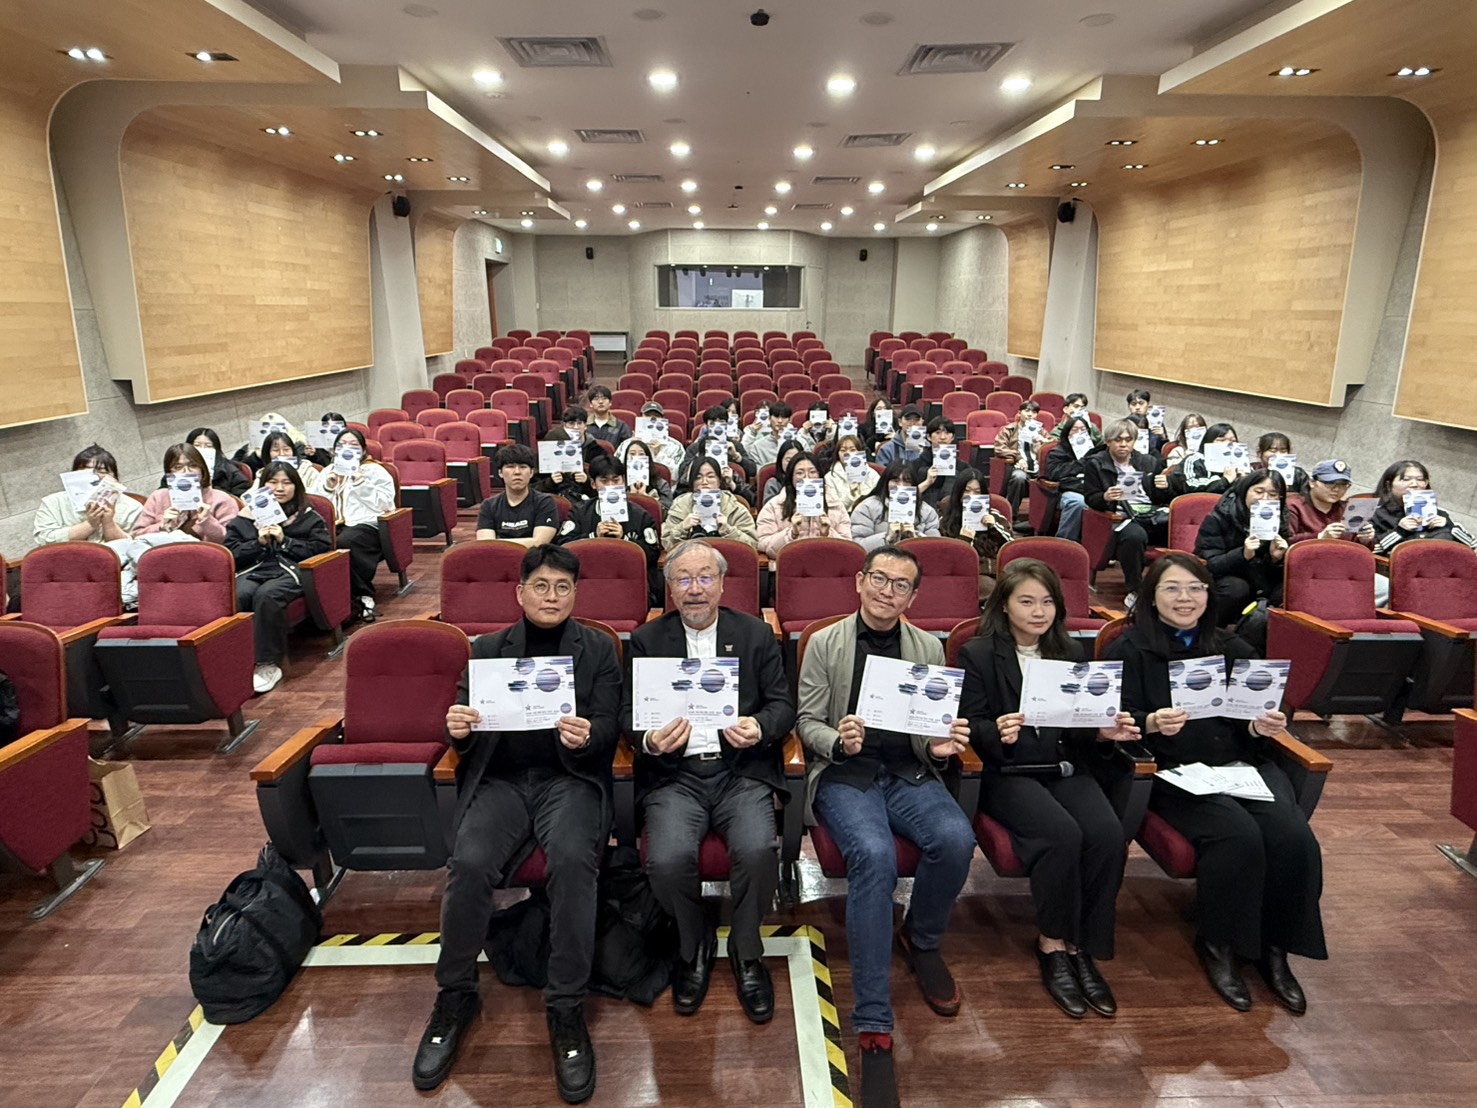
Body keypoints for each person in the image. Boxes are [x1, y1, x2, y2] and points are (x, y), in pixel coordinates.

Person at [414, 545, 620, 1101]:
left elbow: (610, 726)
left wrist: (590, 736)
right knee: (470, 863)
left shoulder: (598, 648)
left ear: (575, 595)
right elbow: (462, 722)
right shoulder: (486, 649)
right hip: (502, 780)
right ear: (520, 592)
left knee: (575, 864)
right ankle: (455, 994)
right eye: (541, 586)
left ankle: (566, 1004)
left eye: (563, 588)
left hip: (569, 780)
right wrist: (457, 727)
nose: (551, 597)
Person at [1104, 552, 1326, 1013]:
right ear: (1151, 595)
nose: (1185, 598)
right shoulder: (1128, 650)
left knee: (1293, 836)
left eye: (1195, 589)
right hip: (1173, 771)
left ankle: (1274, 948)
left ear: (1209, 594)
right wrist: (1150, 722)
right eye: (1172, 589)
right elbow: (1112, 720)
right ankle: (1220, 943)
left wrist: (1261, 725)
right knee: (1237, 835)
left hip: (1237, 764)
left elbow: (1258, 712)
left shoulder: (1232, 647)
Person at [796, 546, 977, 1108]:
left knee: (956, 840)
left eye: (901, 586)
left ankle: (920, 939)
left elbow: (929, 728)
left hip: (906, 771)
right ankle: (874, 1023)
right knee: (872, 856)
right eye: (879, 580)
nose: (887, 592)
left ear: (913, 597)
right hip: (847, 774)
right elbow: (806, 722)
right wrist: (836, 739)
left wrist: (941, 746)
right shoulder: (826, 642)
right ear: (859, 581)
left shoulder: (928, 646)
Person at [957, 559, 1140, 1018]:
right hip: (1009, 771)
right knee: (1062, 835)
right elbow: (968, 724)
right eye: (1027, 601)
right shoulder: (978, 653)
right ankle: (1052, 943)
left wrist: (1101, 733)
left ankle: (1085, 946)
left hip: (1064, 766)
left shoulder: (1072, 655)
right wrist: (994, 731)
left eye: (1047, 602)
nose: (1039, 612)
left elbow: (1078, 729)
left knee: (1107, 836)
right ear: (1004, 605)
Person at [629, 540, 797, 1022]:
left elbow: (782, 705)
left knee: (757, 851)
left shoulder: (755, 635)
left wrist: (761, 727)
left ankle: (747, 950)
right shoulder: (647, 640)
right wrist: (649, 740)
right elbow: (627, 714)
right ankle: (692, 945)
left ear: (723, 585)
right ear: (669, 587)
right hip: (676, 775)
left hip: (739, 771)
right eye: (684, 579)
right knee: (666, 859)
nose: (695, 589)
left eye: (705, 578)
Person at [223, 460, 332, 694]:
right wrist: (257, 543)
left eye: (286, 483)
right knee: (240, 593)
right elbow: (230, 553)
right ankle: (238, 662)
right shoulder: (247, 516)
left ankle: (268, 663)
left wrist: (286, 541)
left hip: (290, 569)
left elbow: (321, 550)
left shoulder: (308, 515)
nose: (279, 488)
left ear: (296, 487)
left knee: (267, 595)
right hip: (255, 568)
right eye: (273, 482)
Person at [1195, 471, 1291, 650]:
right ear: (1245, 491)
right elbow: (1209, 564)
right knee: (1236, 587)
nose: (1264, 499)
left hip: (1261, 582)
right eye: (1259, 491)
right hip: (1223, 579)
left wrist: (1275, 559)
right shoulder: (1219, 518)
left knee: (1288, 589)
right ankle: (1207, 636)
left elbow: (1273, 574)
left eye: (1272, 495)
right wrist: (1243, 554)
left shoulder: (1280, 520)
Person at [309, 428, 396, 622]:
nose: (346, 449)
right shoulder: (328, 472)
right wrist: (328, 487)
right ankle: (329, 601)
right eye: (341, 445)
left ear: (363, 450)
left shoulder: (374, 470)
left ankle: (363, 596)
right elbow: (314, 504)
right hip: (333, 525)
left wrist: (361, 484)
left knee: (345, 543)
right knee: (318, 545)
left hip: (366, 525)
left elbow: (386, 505)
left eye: (353, 445)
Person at [556, 453, 661, 605]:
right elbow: (562, 546)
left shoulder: (641, 515)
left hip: (628, 584)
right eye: (604, 481)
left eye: (616, 480)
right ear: (593, 484)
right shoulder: (579, 512)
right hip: (586, 582)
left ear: (624, 481)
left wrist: (624, 540)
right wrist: (593, 537)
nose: (611, 486)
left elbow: (652, 553)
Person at [1083, 419, 1171, 591]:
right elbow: (1090, 498)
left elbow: (1158, 497)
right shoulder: (1096, 463)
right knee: (1135, 535)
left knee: (1178, 531)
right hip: (1120, 517)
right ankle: (1135, 589)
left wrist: (1164, 487)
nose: (1123, 444)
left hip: (1150, 514)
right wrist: (1106, 496)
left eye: (1128, 440)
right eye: (1118, 440)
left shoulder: (1148, 462)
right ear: (1108, 442)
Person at [33, 445, 142, 546]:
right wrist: (89, 525)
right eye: (85, 471)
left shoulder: (132, 507)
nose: (94, 477)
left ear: (114, 476)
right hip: (67, 561)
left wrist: (108, 522)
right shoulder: (52, 503)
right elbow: (43, 540)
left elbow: (138, 545)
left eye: (102, 471)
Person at [133, 443, 240, 543]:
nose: (186, 472)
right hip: (166, 557)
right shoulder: (158, 497)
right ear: (169, 473)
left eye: (192, 465)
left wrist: (207, 521)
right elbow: (136, 535)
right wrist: (162, 526)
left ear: (202, 470)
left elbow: (231, 541)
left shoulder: (221, 499)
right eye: (178, 467)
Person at [756, 450, 853, 556]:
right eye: (799, 473)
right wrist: (791, 534)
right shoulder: (774, 506)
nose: (807, 477)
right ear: (791, 477)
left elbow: (848, 548)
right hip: (790, 567)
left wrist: (828, 534)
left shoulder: (836, 505)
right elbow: (763, 543)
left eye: (812, 472)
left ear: (820, 476)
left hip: (827, 566)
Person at [1371, 459, 1477, 553]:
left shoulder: (1439, 513)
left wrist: (1449, 526)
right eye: (1406, 479)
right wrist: (1400, 530)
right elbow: (1373, 549)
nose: (1414, 484)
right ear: (1389, 485)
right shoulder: (1377, 513)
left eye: (1420, 479)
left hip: (1441, 568)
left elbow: (1473, 545)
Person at [938, 467, 1013, 595]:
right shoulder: (946, 520)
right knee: (989, 588)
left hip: (996, 571)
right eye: (967, 491)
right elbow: (948, 560)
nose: (972, 496)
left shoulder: (994, 516)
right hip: (967, 574)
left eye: (977, 492)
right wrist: (964, 540)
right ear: (959, 493)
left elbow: (1011, 547)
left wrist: (994, 528)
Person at [662, 457, 758, 550]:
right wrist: (682, 528)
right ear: (692, 482)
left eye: (710, 476)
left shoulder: (734, 507)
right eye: (698, 477)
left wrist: (728, 530)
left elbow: (752, 544)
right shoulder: (680, 505)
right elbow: (667, 544)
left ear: (719, 481)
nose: (704, 482)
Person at [477, 443, 559, 546]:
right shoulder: (488, 505)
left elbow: (539, 543)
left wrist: (497, 543)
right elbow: (485, 545)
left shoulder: (545, 502)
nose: (517, 472)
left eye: (523, 467)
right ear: (500, 473)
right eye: (510, 467)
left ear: (531, 472)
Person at [850, 459, 941, 551]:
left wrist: (916, 540)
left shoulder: (927, 511)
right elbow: (858, 547)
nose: (901, 486)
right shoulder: (866, 508)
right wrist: (886, 538)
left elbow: (936, 549)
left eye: (907, 481)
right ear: (886, 482)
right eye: (895, 480)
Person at [1286, 459, 1375, 547]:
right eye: (1330, 483)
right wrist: (1320, 537)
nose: (1336, 489)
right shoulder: (1293, 505)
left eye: (1343, 485)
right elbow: (1286, 541)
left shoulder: (1349, 509)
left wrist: (1365, 540)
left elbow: (1357, 548)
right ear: (1312, 482)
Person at [993, 400, 1051, 518]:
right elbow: (999, 448)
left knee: (1053, 480)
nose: (1030, 414)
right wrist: (1018, 457)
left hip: (1038, 468)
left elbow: (1054, 448)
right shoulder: (1009, 429)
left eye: (1034, 412)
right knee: (1019, 477)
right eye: (1027, 411)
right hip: (1019, 467)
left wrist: (1043, 444)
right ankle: (1011, 515)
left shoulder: (1042, 432)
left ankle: (1039, 520)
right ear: (1019, 413)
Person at [1043, 413, 1096, 542]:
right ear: (1067, 433)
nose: (1079, 433)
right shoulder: (1057, 452)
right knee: (1078, 502)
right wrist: (1081, 462)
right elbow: (1055, 474)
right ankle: (1065, 543)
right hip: (1066, 491)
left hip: (1093, 490)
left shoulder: (1096, 452)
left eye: (1083, 430)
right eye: (1075, 430)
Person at [1170, 422, 1242, 496]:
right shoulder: (1194, 460)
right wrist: (1226, 480)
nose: (1228, 444)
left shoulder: (1240, 462)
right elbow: (1191, 485)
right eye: (1221, 440)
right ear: (1209, 441)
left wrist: (1243, 480)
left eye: (1233, 441)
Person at [616, 401, 686, 476]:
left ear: (663, 419)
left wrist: (659, 454)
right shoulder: (626, 444)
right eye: (648, 415)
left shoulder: (675, 446)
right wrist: (631, 449)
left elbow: (677, 475)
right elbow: (617, 470)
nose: (652, 419)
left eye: (656, 416)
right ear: (641, 418)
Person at [244, 431, 318, 492]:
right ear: (267, 453)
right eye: (276, 450)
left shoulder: (308, 470)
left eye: (286, 449)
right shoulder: (263, 474)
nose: (282, 454)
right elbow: (247, 497)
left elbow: (319, 494)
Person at [184, 428, 249, 496]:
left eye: (208, 446)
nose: (202, 449)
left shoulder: (230, 471)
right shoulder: (181, 470)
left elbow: (240, 499)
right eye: (197, 445)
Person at [914, 417, 960, 511]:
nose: (942, 437)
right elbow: (905, 495)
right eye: (938, 433)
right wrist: (927, 482)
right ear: (928, 437)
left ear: (953, 437)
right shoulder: (916, 465)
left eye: (947, 433)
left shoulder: (963, 467)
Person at [825, 434, 880, 511]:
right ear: (838, 454)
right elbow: (834, 509)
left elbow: (880, 500)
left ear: (860, 452)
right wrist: (850, 494)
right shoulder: (830, 477)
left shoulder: (872, 474)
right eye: (843, 450)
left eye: (852, 450)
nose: (848, 453)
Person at [619, 438, 675, 512]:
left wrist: (646, 498)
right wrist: (631, 496)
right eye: (632, 454)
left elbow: (667, 512)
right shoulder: (618, 481)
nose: (636, 457)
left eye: (641, 454)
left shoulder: (661, 484)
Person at [1255, 432, 1310, 496]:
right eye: (1273, 451)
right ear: (1259, 453)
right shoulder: (1252, 471)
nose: (1279, 455)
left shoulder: (1298, 474)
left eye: (1283, 451)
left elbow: (1307, 499)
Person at [741, 401, 793, 468]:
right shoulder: (758, 446)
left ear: (790, 419)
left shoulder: (800, 442)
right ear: (769, 418)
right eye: (776, 417)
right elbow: (756, 472)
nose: (780, 421)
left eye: (784, 417)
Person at [761, 439, 804, 505]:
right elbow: (769, 510)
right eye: (788, 460)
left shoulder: (809, 482)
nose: (792, 463)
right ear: (780, 460)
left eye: (796, 459)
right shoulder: (773, 484)